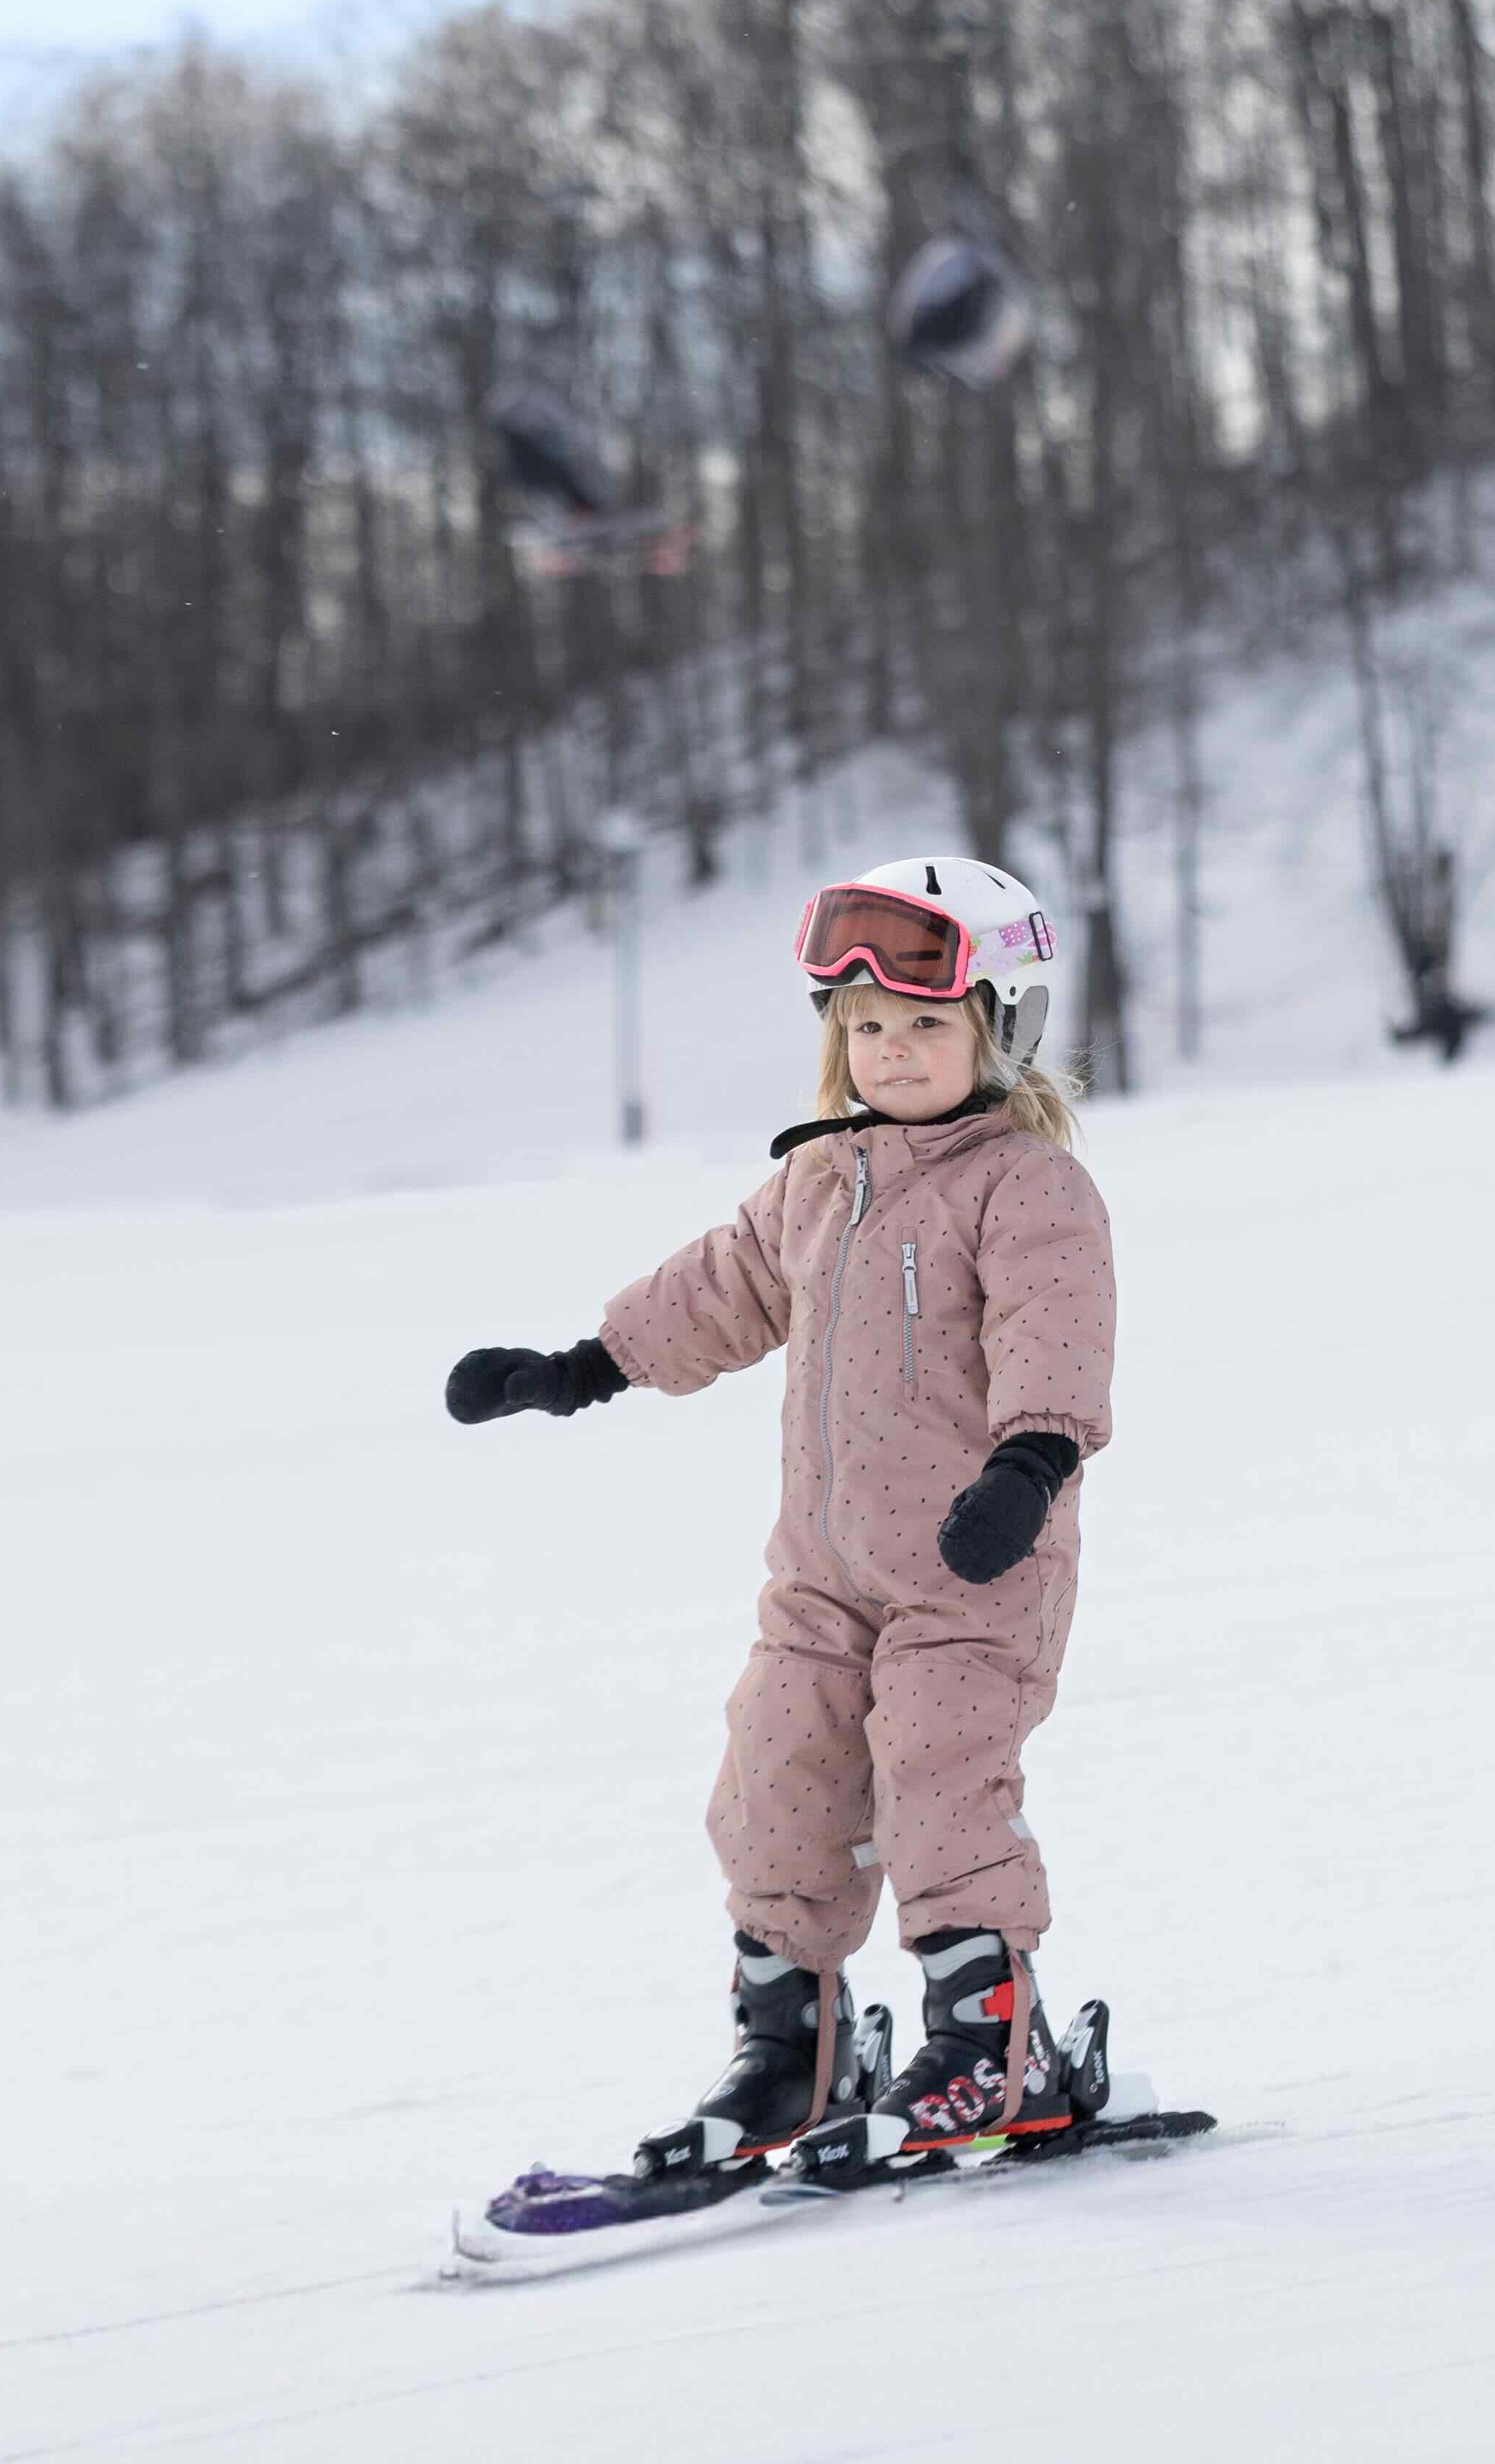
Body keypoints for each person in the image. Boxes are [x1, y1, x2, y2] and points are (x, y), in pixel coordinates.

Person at [444, 852, 1121, 2178]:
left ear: (1006, 1024)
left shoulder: (1027, 1187)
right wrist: (580, 1370)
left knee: (939, 1786)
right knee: (772, 1783)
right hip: (819, 1579)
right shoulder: (818, 1183)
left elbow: (1059, 1335)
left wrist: (1029, 1467)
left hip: (972, 1568)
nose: (890, 1050)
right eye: (864, 1027)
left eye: (927, 1023)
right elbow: (720, 1289)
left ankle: (993, 2050)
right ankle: (788, 2059)